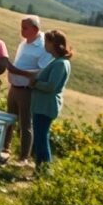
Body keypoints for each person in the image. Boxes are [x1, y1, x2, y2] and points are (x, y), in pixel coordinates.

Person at [5, 15, 53, 163]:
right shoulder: (24, 42)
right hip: (14, 86)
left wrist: (16, 71)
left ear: (35, 29)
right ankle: (5, 148)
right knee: (9, 120)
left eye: (25, 28)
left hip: (27, 90)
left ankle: (24, 157)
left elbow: (42, 72)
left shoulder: (43, 47)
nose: (21, 30)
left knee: (25, 123)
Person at [30, 29, 73, 167]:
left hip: (46, 107)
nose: (45, 45)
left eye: (47, 42)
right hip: (43, 106)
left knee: (42, 137)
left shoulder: (60, 63)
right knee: (40, 136)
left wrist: (35, 83)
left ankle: (44, 168)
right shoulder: (58, 61)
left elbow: (51, 86)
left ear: (54, 43)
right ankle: (39, 167)